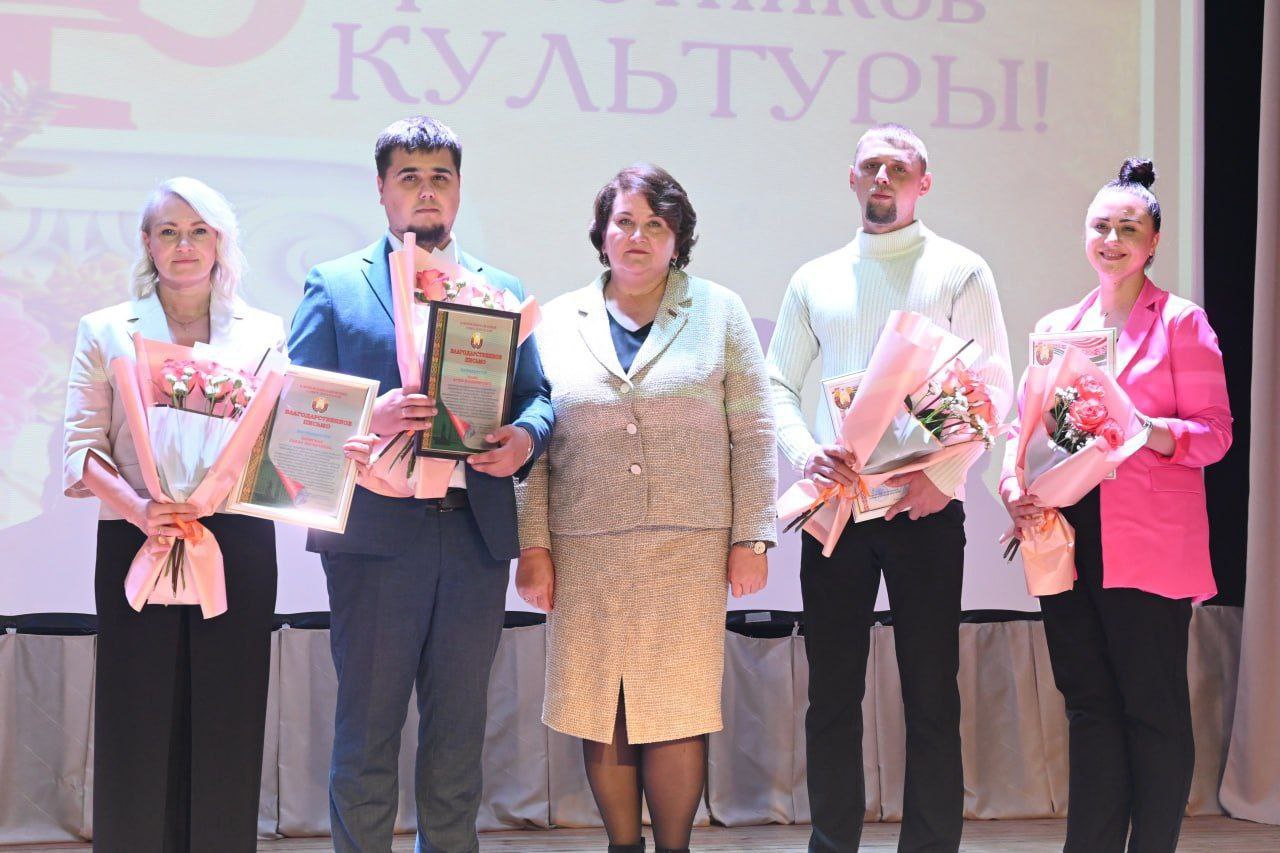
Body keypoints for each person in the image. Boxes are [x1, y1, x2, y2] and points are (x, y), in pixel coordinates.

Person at [287, 115, 554, 853]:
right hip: (377, 537)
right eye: (409, 176)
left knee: (459, 734)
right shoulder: (337, 285)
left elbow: (537, 396)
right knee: (368, 731)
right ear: (382, 190)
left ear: (459, 189)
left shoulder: (500, 290)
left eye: (441, 176)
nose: (426, 190)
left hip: (473, 534)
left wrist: (524, 437)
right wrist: (370, 414)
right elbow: (295, 403)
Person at [514, 163, 776, 853]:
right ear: (602, 233)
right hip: (586, 547)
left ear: (678, 238)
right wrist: (533, 545)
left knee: (675, 704)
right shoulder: (555, 320)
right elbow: (535, 441)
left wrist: (752, 535)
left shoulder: (720, 311)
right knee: (602, 705)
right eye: (624, 221)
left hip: (688, 548)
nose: (637, 236)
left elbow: (754, 429)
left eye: (655, 224)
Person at [765, 123, 1013, 852]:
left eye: (897, 168)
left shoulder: (961, 270)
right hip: (837, 510)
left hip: (924, 512)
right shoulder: (814, 278)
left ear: (922, 183)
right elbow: (777, 383)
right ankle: (832, 843)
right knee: (831, 695)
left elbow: (994, 386)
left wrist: (943, 477)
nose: (882, 177)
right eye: (870, 166)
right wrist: (806, 452)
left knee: (932, 694)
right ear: (851, 178)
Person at [1000, 158, 1232, 853]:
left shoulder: (1182, 323)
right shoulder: (1057, 327)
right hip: (1067, 539)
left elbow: (1215, 434)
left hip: (1150, 544)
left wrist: (1145, 429)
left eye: (1129, 228)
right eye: (1101, 226)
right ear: (1085, 236)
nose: (1113, 239)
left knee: (1152, 710)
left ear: (1153, 242)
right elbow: (1022, 428)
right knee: (1089, 706)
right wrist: (1013, 484)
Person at [62, 177, 283, 852]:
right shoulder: (106, 328)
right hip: (136, 537)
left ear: (221, 241)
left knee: (229, 712)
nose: (184, 245)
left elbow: (281, 443)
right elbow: (80, 448)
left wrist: (339, 448)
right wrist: (140, 509)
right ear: (147, 243)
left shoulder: (265, 331)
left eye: (199, 231)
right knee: (135, 711)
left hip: (237, 538)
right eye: (169, 231)